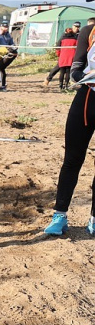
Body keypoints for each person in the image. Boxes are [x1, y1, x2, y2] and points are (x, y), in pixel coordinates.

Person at [43, 16, 95, 236]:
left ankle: (94, 218)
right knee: (72, 159)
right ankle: (60, 215)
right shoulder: (89, 32)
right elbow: (76, 67)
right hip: (87, 99)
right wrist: (83, 76)